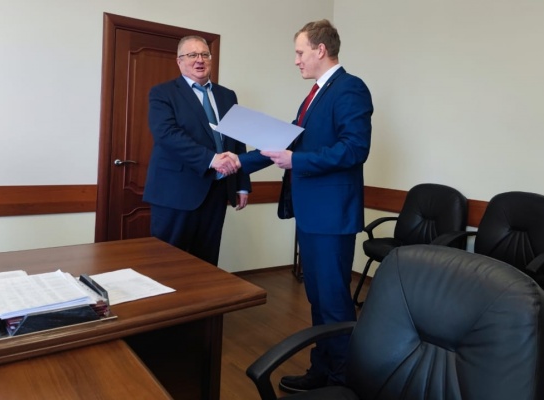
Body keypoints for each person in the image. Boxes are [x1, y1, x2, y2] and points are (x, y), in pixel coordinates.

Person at [239, 19, 373, 392]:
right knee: (318, 298)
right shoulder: (314, 95)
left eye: (300, 52)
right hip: (314, 214)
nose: (296, 60)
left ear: (320, 49)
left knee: (333, 302)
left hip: (331, 215)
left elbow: (354, 148)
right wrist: (238, 161)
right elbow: (286, 140)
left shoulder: (350, 88)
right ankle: (322, 369)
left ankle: (341, 381)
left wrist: (297, 161)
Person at [143, 35, 250, 266]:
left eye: (204, 54)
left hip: (217, 192)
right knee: (168, 263)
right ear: (179, 61)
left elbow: (237, 140)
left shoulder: (227, 95)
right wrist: (212, 159)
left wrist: (242, 184)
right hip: (175, 193)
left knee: (207, 264)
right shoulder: (162, 93)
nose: (199, 60)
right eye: (192, 55)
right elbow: (167, 135)